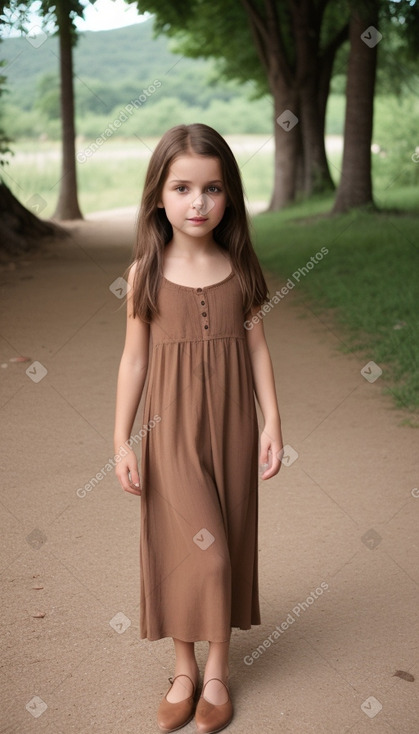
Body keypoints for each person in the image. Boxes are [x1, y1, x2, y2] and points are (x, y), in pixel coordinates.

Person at [114, 123, 283, 733]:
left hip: (234, 425)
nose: (197, 203)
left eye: (212, 189)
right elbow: (134, 360)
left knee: (229, 538)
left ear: (229, 195)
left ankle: (215, 674)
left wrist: (272, 423)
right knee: (192, 551)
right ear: (159, 194)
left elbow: (258, 349)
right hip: (172, 432)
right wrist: (121, 440)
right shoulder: (144, 274)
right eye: (182, 188)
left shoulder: (239, 268)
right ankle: (181, 670)